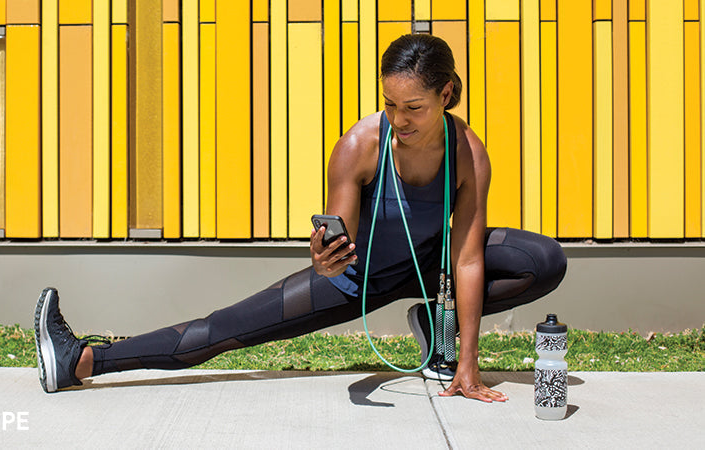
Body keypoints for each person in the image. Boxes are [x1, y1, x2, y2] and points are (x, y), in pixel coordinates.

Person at [34, 34, 567, 403]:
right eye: (391, 104)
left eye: (415, 108)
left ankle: (436, 330)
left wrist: (469, 361)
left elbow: (469, 258)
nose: (399, 119)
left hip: (432, 269)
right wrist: (324, 260)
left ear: (446, 93)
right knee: (223, 330)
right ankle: (81, 361)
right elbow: (339, 241)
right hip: (353, 281)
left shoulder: (468, 154)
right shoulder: (359, 147)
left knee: (542, 260)